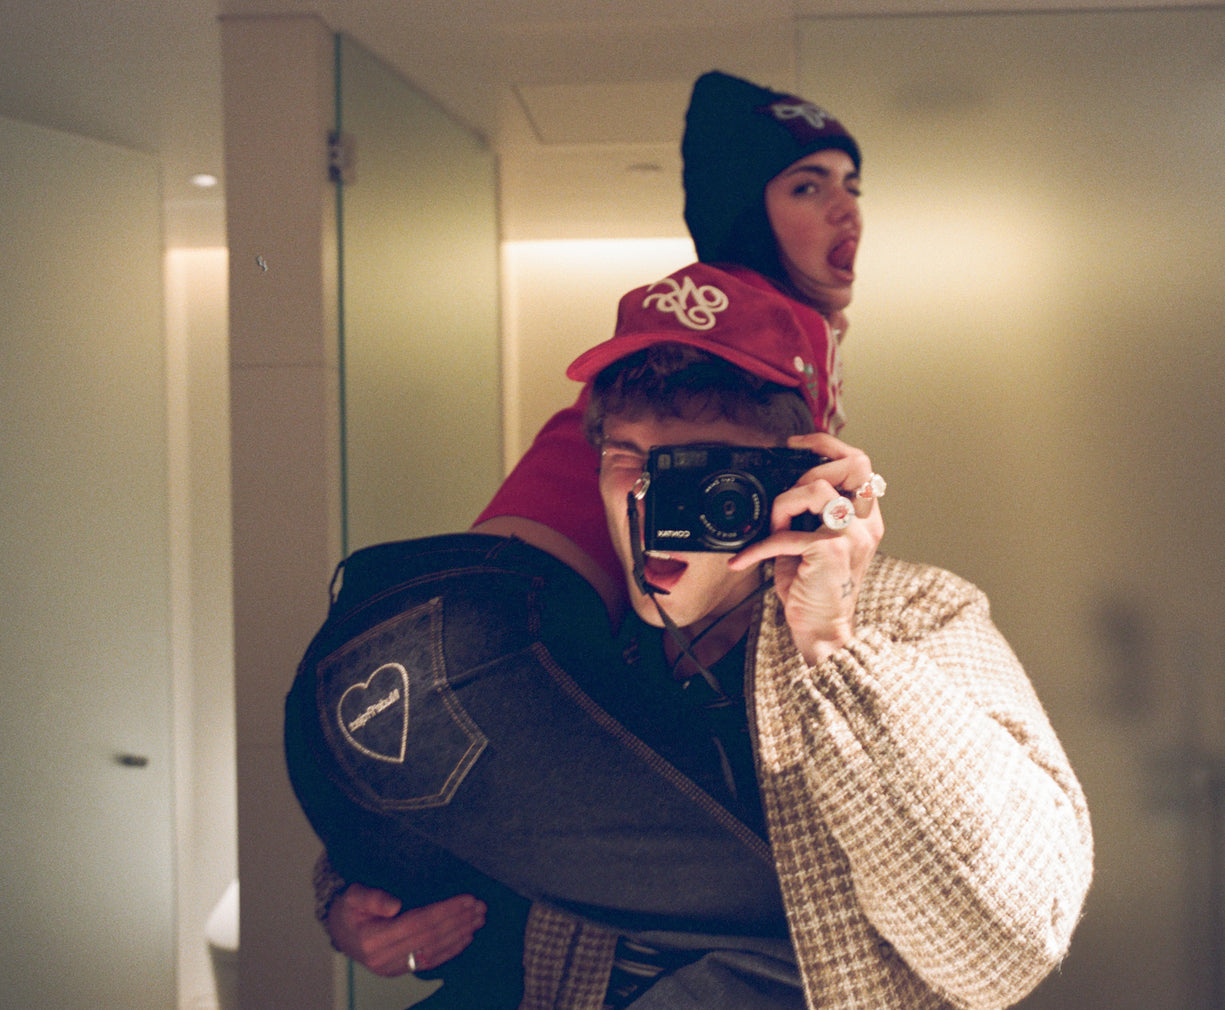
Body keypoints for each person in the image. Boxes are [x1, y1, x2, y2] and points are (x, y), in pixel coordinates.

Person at [287, 263, 1093, 1008]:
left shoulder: (913, 612)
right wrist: (357, 901)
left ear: (791, 471)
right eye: (627, 456)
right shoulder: (580, 626)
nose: (648, 499)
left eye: (697, 470)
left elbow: (1002, 950)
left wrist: (832, 643)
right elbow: (481, 799)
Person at [319, 68, 871, 979]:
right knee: (804, 909)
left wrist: (354, 888)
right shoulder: (757, 328)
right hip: (470, 662)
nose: (845, 210)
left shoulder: (893, 613)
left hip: (396, 662)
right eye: (805, 187)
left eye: (850, 185)